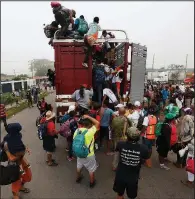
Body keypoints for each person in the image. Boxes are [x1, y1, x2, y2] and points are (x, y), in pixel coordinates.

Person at [113, 127, 149, 199]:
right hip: (133, 177)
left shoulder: (120, 144)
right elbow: (145, 159)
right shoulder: (143, 148)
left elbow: (117, 153)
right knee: (132, 196)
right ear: (138, 137)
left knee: (120, 194)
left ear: (127, 136)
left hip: (120, 175)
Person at [2, 123, 32, 199]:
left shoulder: (18, 135)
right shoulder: (6, 141)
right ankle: (15, 196)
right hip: (14, 165)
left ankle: (21, 187)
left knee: (28, 176)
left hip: (22, 160)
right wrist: (8, 151)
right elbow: (11, 158)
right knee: (16, 181)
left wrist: (25, 148)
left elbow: (20, 144)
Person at [73, 114, 99, 188]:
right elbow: (97, 123)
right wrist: (88, 117)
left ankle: (78, 178)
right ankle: (92, 182)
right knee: (91, 169)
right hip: (89, 154)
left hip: (79, 153)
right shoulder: (90, 132)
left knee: (79, 166)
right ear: (89, 125)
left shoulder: (77, 131)